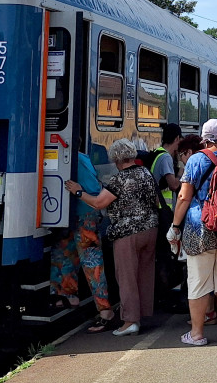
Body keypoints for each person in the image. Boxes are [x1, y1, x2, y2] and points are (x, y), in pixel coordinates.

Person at [66, 138, 160, 337]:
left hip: (128, 233)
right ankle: (142, 315)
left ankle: (130, 322)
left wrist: (78, 192)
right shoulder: (145, 173)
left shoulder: (120, 179)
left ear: (117, 159)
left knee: (126, 277)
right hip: (150, 229)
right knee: (144, 275)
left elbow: (98, 203)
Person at [168, 118, 217, 346]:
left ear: (205, 139)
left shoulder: (195, 161)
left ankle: (197, 334)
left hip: (199, 227)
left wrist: (175, 226)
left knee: (199, 282)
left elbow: (183, 197)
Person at [50, 149, 115, 332]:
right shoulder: (81, 158)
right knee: (65, 252)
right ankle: (68, 295)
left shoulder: (76, 159)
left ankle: (105, 312)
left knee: (90, 261)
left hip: (83, 215)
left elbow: (94, 191)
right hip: (72, 215)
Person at [150, 123, 183, 198]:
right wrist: (181, 170)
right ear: (177, 138)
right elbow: (174, 186)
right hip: (162, 206)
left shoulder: (157, 152)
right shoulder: (166, 158)